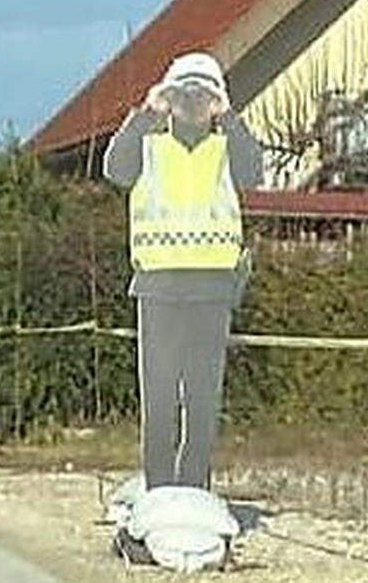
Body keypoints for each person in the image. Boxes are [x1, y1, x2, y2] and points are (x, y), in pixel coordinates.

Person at [102, 52, 262, 489]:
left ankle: (194, 489)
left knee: (202, 402)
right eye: (183, 94)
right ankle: (158, 489)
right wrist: (145, 114)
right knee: (158, 400)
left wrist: (228, 116)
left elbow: (253, 174)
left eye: (201, 94)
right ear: (169, 99)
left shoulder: (228, 148)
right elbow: (115, 169)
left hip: (212, 290)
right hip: (158, 288)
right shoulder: (149, 147)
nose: (192, 103)